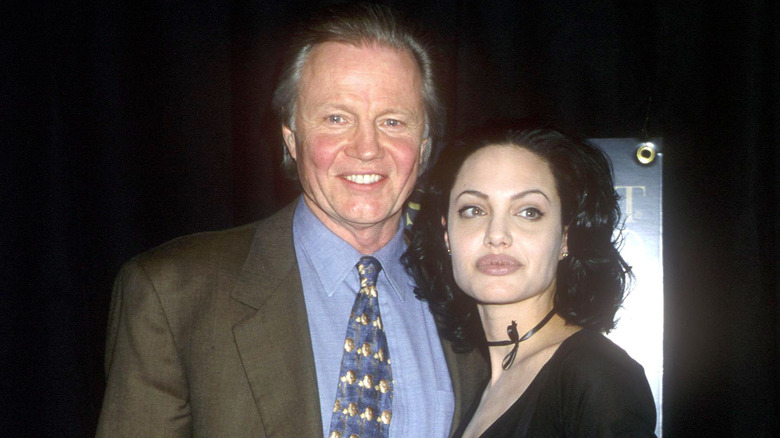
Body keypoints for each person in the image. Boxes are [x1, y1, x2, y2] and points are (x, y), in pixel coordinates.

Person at [96, 4, 487, 437]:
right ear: (292, 138)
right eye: (336, 118)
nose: (367, 147)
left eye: (393, 121)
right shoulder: (174, 293)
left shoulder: (475, 292)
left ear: (425, 144)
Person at [404, 125, 657, 437]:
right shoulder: (474, 386)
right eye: (473, 210)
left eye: (528, 212)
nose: (496, 235)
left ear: (565, 236)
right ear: (446, 233)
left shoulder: (596, 376)